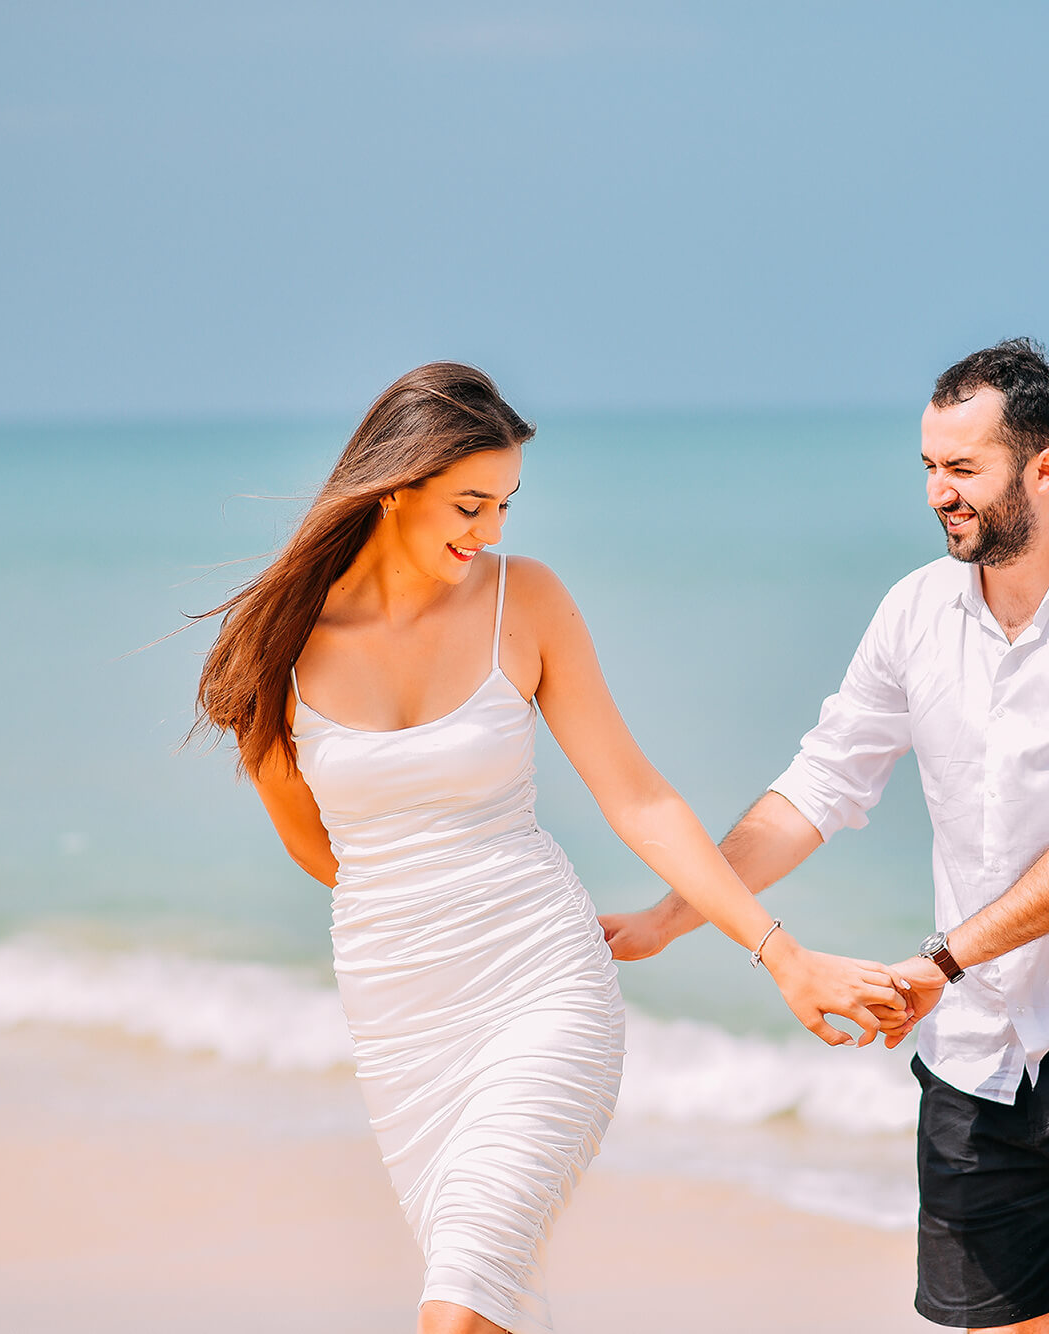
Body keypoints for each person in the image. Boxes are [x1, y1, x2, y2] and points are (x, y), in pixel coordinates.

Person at [192, 362, 905, 1334]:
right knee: (475, 1294)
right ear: (394, 486)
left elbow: (638, 797)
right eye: (469, 504)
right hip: (400, 1014)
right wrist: (417, 901)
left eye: (503, 506)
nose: (488, 532)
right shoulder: (277, 647)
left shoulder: (520, 601)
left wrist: (780, 953)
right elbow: (324, 850)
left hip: (541, 985)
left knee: (461, 1304)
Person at [602, 339, 1049, 1333]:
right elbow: (819, 784)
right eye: (928, 467)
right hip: (972, 1057)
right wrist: (670, 918)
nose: (938, 491)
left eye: (962, 467)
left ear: (1043, 468)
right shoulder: (913, 612)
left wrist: (940, 960)